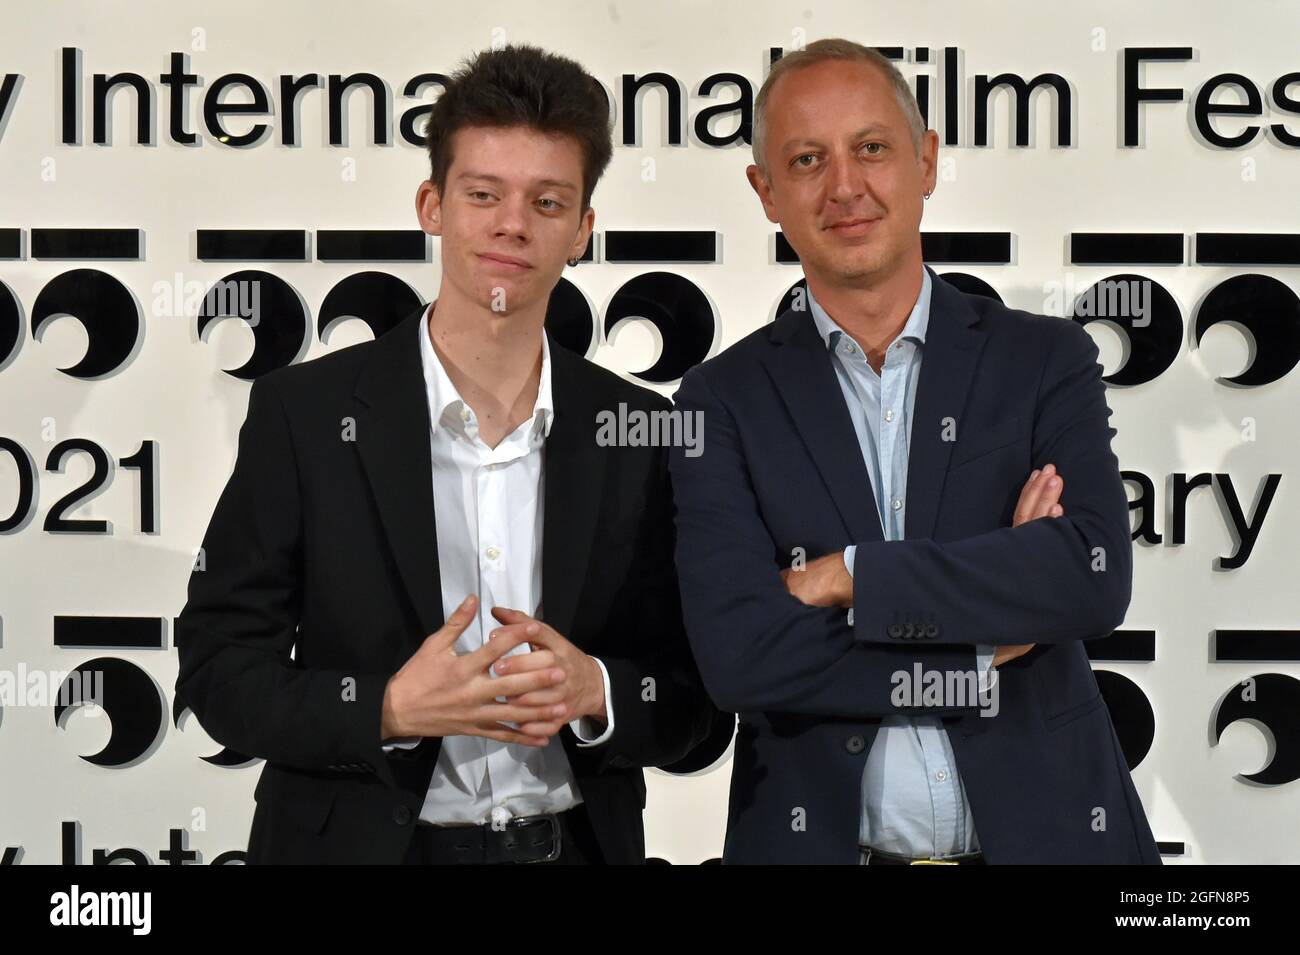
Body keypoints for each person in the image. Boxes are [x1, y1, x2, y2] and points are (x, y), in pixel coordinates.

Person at [175, 43, 719, 865]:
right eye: (483, 194)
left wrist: (598, 692)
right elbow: (217, 670)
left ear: (582, 231)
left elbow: (702, 707)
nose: (512, 223)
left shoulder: (640, 430)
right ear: (432, 205)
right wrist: (385, 707)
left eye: (547, 201)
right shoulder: (307, 414)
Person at [668, 38, 1160, 864]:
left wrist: (850, 574)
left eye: (871, 149)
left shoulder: (1044, 361)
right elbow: (741, 659)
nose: (845, 187)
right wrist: (981, 636)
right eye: (806, 159)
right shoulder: (719, 402)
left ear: (926, 160)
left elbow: (1090, 576)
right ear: (766, 192)